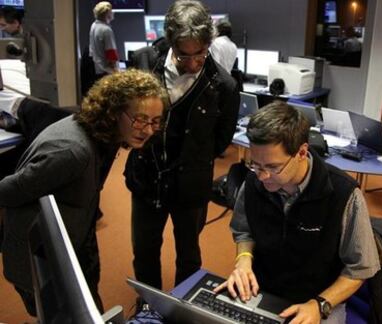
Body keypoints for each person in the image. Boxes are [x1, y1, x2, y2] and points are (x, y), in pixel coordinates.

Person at [0, 69, 166, 316]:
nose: (149, 130)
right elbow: (7, 192)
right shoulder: (72, 152)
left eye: (155, 121)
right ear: (113, 112)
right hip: (42, 263)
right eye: (140, 119)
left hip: (74, 248)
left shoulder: (105, 136)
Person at [214, 101, 380, 323]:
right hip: (262, 291)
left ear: (302, 152)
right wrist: (243, 260)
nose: (262, 176)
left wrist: (320, 304)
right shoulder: (254, 182)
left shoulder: (343, 194)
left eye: (273, 167)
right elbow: (244, 230)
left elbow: (361, 267)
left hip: (318, 300)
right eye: (256, 165)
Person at [125, 0, 239, 292]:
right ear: (170, 43)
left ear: (208, 44)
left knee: (189, 256)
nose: (192, 63)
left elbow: (221, 140)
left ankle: (183, 308)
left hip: (191, 184)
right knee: (145, 251)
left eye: (199, 54)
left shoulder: (224, 85)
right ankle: (149, 305)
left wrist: (190, 156)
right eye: (183, 55)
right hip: (146, 177)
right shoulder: (142, 62)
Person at [89, 1, 119, 78]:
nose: (113, 13)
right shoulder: (106, 30)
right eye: (111, 11)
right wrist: (117, 72)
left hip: (96, 68)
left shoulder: (94, 25)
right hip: (106, 71)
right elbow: (111, 54)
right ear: (107, 14)